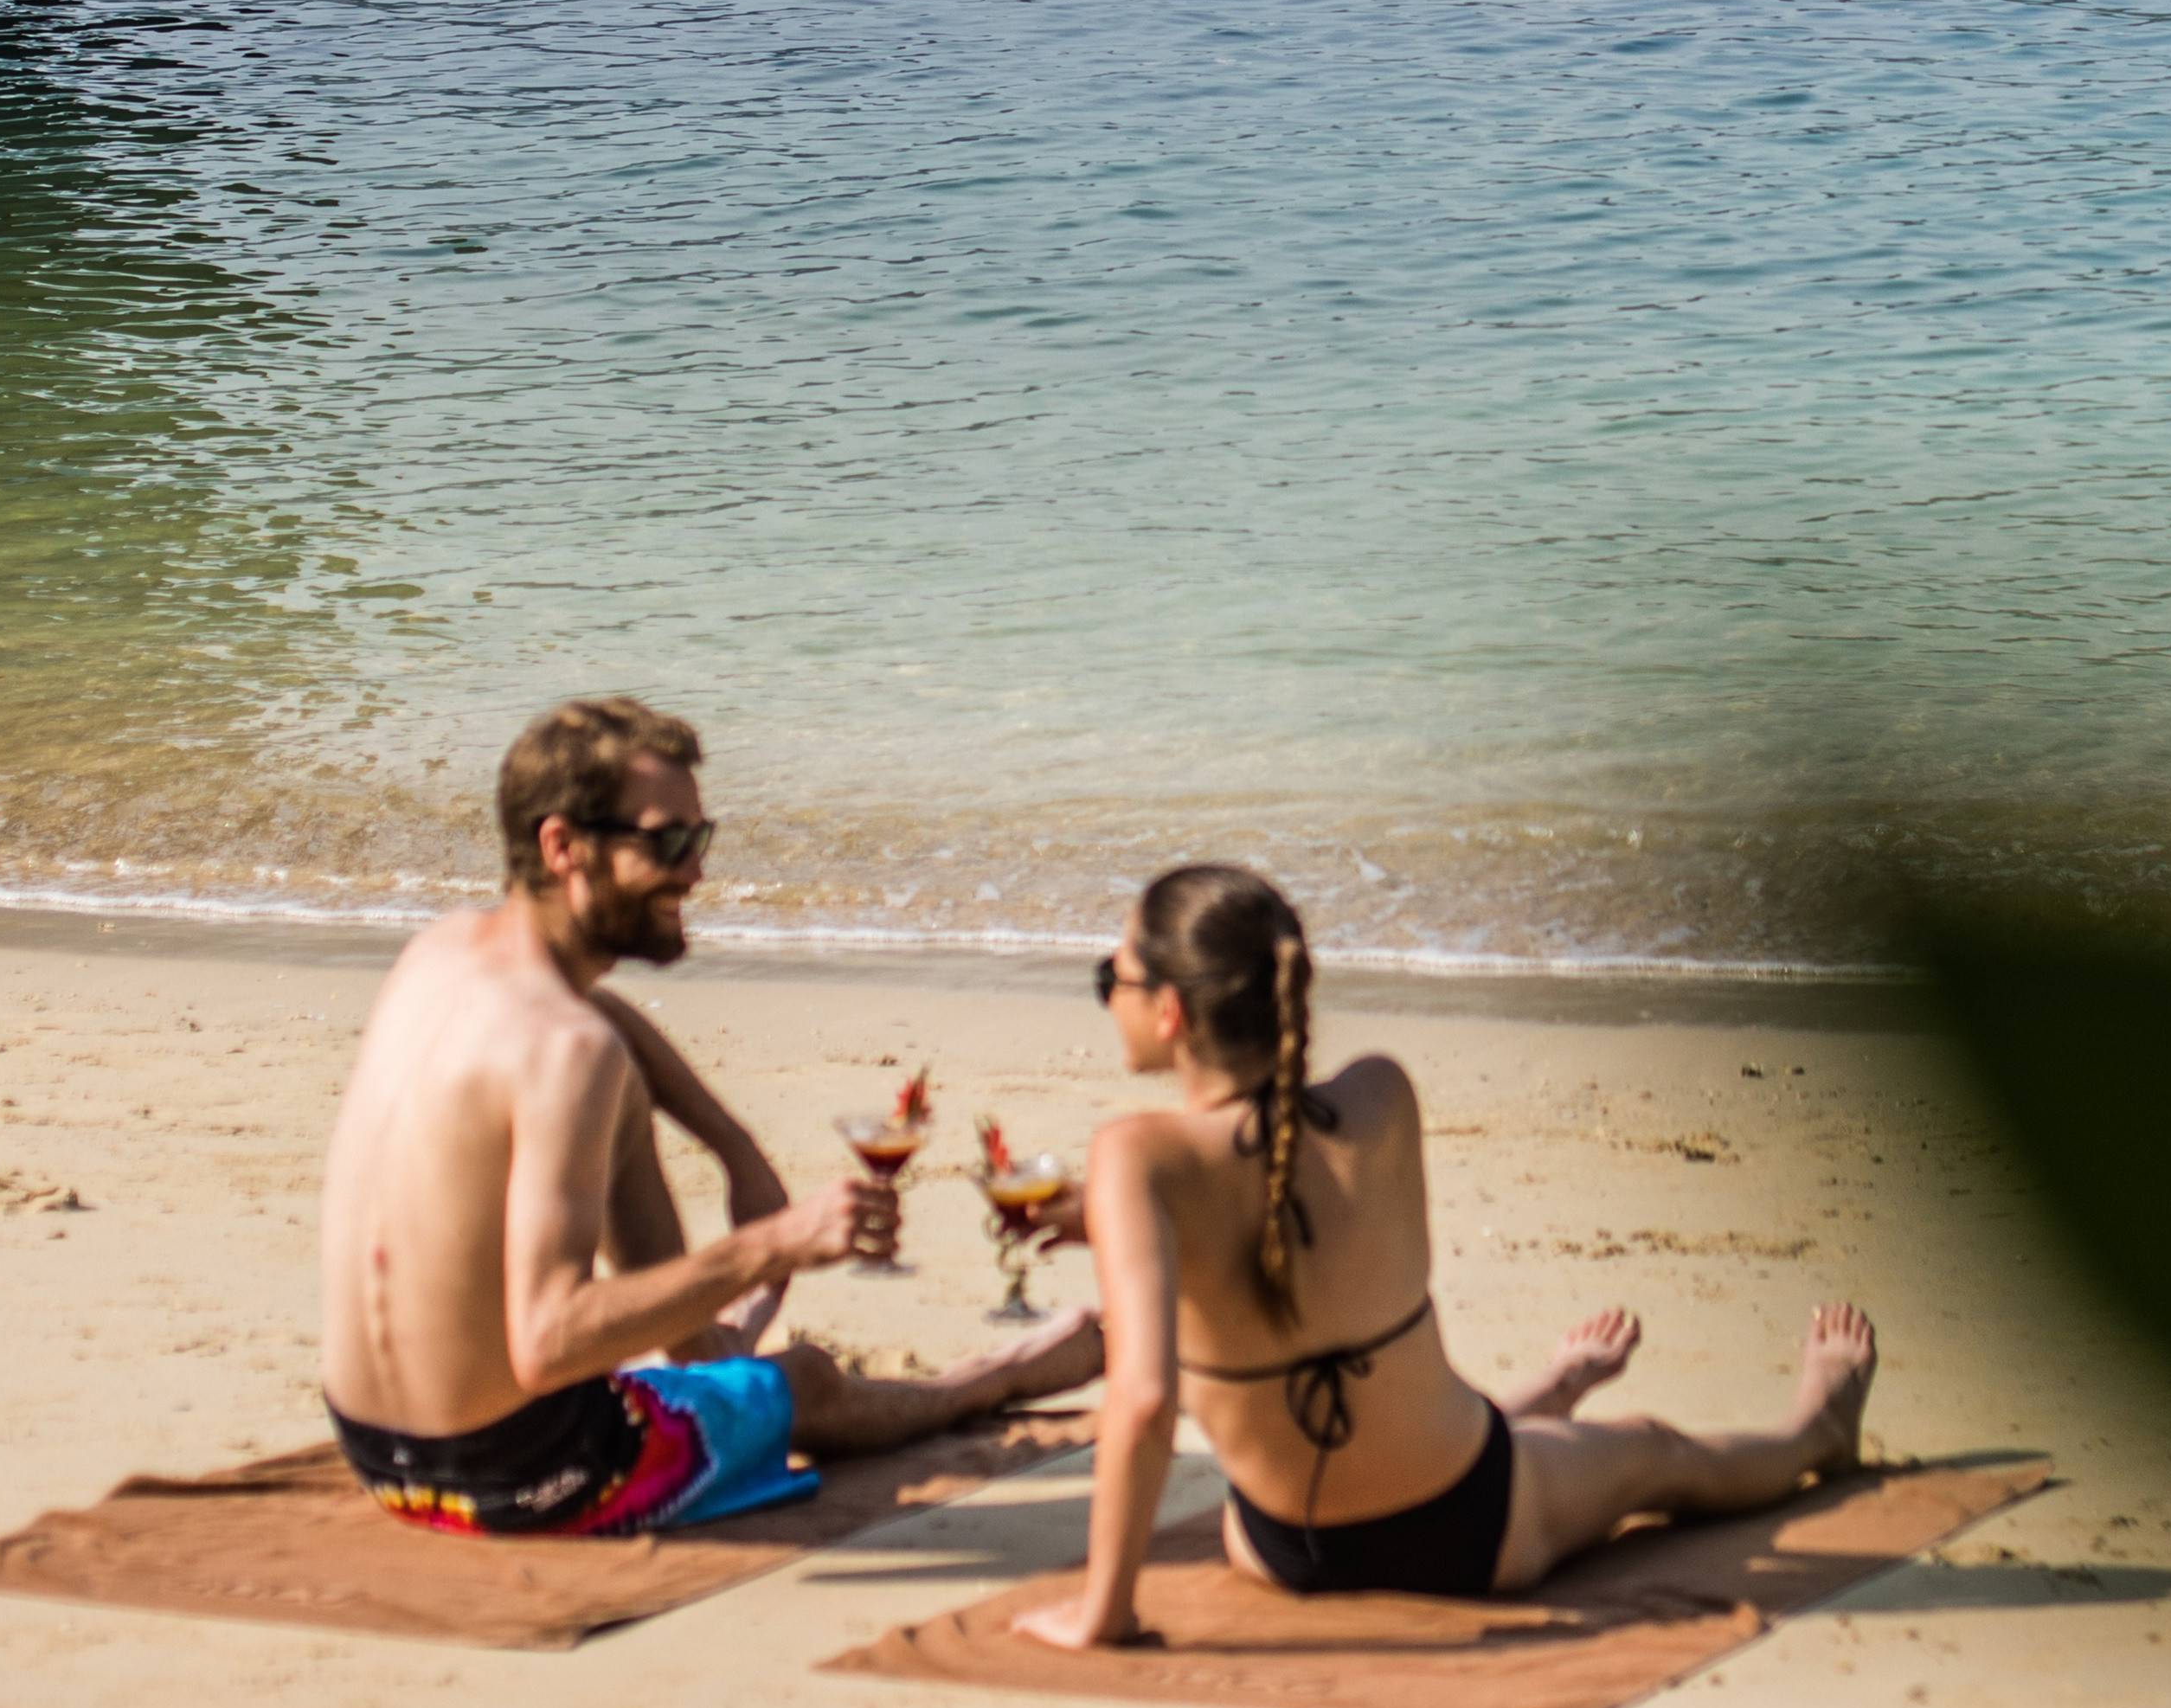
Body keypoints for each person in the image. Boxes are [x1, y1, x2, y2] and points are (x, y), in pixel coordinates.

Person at [1024, 860, 1874, 1641]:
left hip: (1278, 1546)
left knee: (1456, 1425)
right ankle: (1816, 1431)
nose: (1109, 996)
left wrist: (1105, 1615)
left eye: (1113, 979)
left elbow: (1146, 1397)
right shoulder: (1380, 1094)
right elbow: (1300, 1218)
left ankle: (1544, 1396)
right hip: (1470, 1531)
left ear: (1168, 1010)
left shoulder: (1133, 1162)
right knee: (1655, 1451)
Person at [318, 697, 1102, 1533]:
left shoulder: (444, 950)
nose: (695, 871)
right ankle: (1000, 1370)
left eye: (701, 838)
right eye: (669, 842)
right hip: (524, 1475)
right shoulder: (569, 1054)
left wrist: (732, 1146)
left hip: (376, 1453)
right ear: (563, 845)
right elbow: (546, 1342)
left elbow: (597, 1018)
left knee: (619, 1102)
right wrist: (778, 1241)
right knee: (804, 1380)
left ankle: (706, 1343)